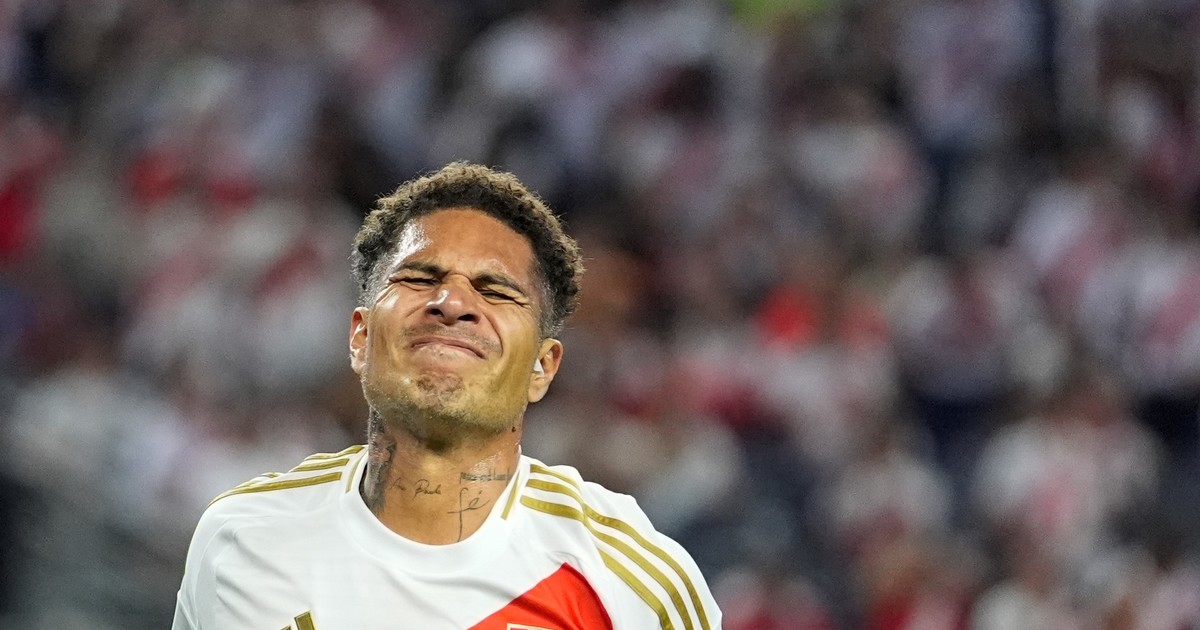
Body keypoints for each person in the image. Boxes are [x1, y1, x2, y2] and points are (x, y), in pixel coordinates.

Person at [171, 162, 722, 629]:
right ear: (360, 337)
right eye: (418, 278)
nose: (452, 303)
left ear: (543, 367)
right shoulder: (241, 540)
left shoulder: (628, 584)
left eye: (495, 290)